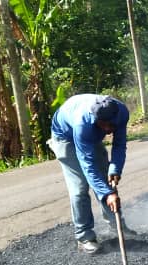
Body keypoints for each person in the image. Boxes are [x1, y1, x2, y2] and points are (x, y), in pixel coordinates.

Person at [48, 94, 131, 254]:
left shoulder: (122, 112)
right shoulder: (83, 123)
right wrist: (107, 194)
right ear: (95, 118)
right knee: (79, 187)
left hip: (91, 137)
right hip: (66, 138)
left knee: (108, 179)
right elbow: (88, 166)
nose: (107, 130)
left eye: (110, 125)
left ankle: (118, 226)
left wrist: (115, 168)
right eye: (103, 125)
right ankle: (84, 237)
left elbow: (119, 144)